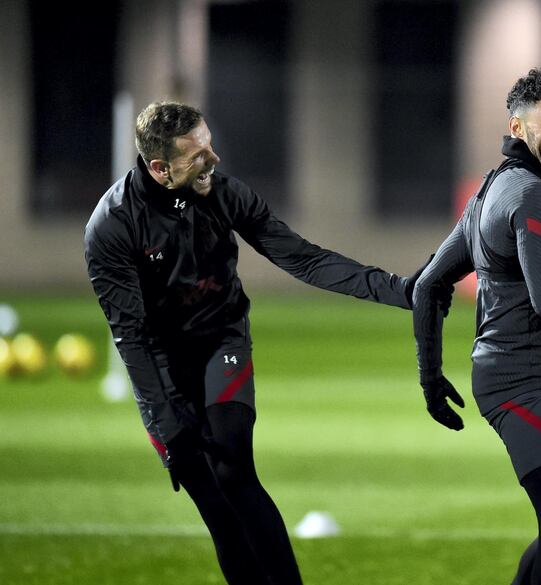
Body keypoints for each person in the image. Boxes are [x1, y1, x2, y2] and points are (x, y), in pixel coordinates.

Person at [84, 102, 444, 585]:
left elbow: (306, 259)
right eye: (197, 155)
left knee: (233, 468)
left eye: (210, 144)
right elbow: (131, 336)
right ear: (160, 169)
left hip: (222, 340)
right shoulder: (111, 227)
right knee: (215, 506)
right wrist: (168, 426)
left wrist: (401, 291)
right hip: (163, 364)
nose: (213, 159)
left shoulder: (225, 195)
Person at [412, 67, 541, 585]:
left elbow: (428, 286)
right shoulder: (531, 195)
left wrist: (431, 376)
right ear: (518, 127)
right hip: (519, 383)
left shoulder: (492, 189)